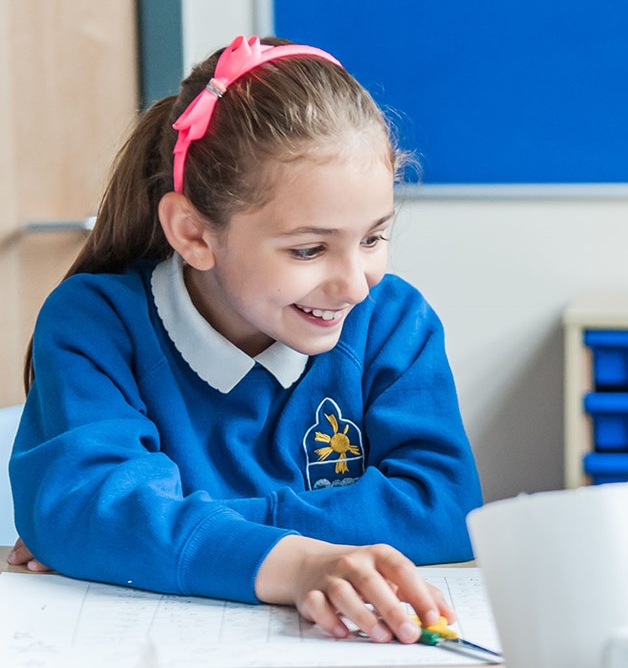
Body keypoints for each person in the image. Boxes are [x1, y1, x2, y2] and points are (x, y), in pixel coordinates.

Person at [8, 36, 484, 644]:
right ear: (194, 233)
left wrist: (143, 530)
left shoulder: (395, 321)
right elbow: (90, 509)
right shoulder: (95, 323)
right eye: (309, 249)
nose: (354, 286)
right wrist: (298, 563)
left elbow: (444, 510)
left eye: (372, 238)